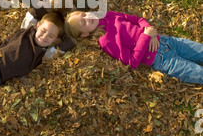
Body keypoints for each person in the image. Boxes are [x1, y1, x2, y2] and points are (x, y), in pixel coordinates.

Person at [64, 10, 203, 85]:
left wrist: (148, 29)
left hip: (167, 41)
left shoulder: (108, 15)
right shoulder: (105, 41)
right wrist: (146, 36)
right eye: (83, 22)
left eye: (84, 14)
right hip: (160, 59)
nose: (87, 18)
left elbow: (136, 20)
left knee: (199, 50)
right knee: (198, 73)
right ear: (85, 34)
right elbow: (132, 62)